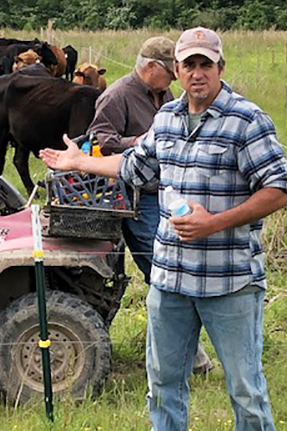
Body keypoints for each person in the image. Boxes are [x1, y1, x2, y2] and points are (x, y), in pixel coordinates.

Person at [40, 26, 287, 431]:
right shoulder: (168, 118)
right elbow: (133, 167)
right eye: (189, 64)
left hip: (227, 282)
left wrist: (214, 223)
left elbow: (281, 188)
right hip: (170, 280)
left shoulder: (246, 120)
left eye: (205, 64)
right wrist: (80, 163)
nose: (197, 73)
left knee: (246, 389)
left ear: (220, 67)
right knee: (162, 384)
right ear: (176, 70)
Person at [86, 36, 213, 374]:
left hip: (167, 193)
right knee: (162, 271)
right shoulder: (116, 95)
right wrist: (139, 143)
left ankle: (181, 351)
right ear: (151, 67)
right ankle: (189, 356)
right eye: (170, 71)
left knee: (177, 268)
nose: (175, 77)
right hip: (136, 199)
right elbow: (98, 140)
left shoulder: (165, 94)